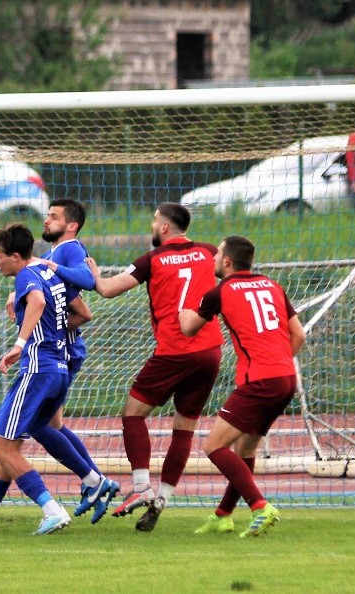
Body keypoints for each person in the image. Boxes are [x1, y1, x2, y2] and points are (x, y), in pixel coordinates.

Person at [84, 202, 223, 532]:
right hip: (210, 351)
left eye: (153, 222)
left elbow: (107, 290)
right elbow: (234, 271)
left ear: (163, 228)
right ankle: (162, 498)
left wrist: (94, 274)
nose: (151, 226)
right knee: (185, 427)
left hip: (175, 350)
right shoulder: (208, 252)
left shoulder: (152, 260)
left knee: (133, 413)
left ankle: (142, 486)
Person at [0, 223, 79, 534]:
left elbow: (37, 302)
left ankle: (53, 509)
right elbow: (82, 312)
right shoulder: (48, 272)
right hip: (58, 369)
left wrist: (20, 344)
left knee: (5, 449)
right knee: (10, 448)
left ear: (16, 256)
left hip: (36, 370)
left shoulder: (27, 276)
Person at [179, 235, 305, 538]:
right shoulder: (272, 285)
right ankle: (223, 515)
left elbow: (188, 328)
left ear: (226, 261)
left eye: (217, 253)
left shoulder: (220, 292)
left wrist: (182, 309)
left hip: (258, 381)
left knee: (213, 446)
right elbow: (298, 336)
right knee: (245, 448)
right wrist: (276, 362)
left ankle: (260, 506)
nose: (213, 259)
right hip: (286, 379)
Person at [18, 199, 119, 523]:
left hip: (62, 351)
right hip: (60, 350)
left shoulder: (68, 248)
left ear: (71, 225)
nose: (46, 221)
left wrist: (52, 270)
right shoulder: (51, 254)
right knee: (52, 424)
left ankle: (95, 481)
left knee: (37, 426)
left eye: (53, 216)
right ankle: (95, 482)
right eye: (47, 215)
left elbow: (88, 282)